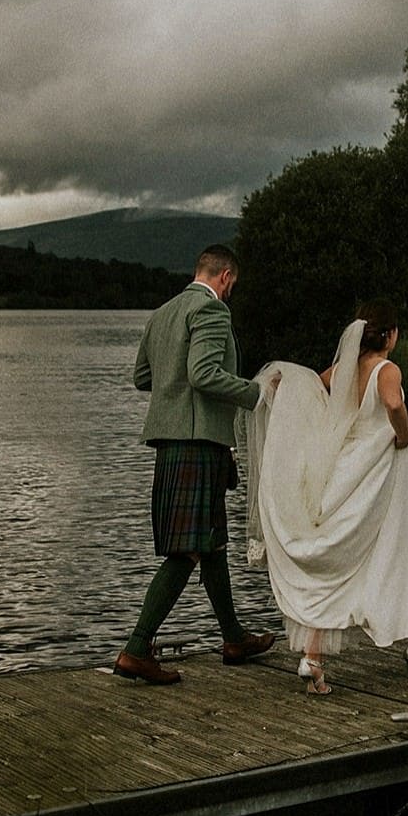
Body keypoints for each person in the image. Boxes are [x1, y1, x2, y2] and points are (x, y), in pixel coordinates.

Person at [244, 300, 408, 695]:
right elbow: (393, 403)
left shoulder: (343, 370)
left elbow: (314, 388)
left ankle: (314, 658)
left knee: (341, 562)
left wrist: (283, 389)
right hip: (387, 470)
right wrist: (402, 434)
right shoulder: (387, 369)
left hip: (349, 468)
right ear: (391, 335)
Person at [113, 244, 279, 685]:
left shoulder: (163, 313)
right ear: (225, 277)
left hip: (172, 444)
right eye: (232, 286)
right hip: (198, 444)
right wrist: (255, 393)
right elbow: (203, 374)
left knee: (211, 544)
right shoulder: (212, 311)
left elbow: (142, 378)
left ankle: (233, 638)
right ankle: (136, 648)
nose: (230, 293)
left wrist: (175, 393)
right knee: (188, 550)